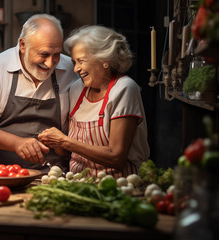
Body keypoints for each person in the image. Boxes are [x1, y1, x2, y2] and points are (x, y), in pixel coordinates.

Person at [0, 14, 78, 171]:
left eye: (56, 54)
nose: (50, 63)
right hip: (1, 173)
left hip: (53, 175)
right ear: (23, 45)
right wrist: (16, 143)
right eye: (44, 54)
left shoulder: (70, 69)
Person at [38, 25, 150, 178]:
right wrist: (56, 142)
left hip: (119, 185)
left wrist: (64, 141)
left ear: (104, 59)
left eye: (81, 61)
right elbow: (73, 151)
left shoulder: (124, 89)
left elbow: (116, 157)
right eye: (74, 62)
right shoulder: (77, 89)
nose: (76, 69)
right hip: (79, 182)